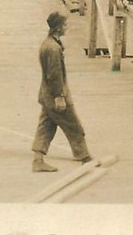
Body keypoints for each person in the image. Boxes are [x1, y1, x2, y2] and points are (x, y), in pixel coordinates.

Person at [32, 10, 93, 172]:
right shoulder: (53, 49)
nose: (67, 27)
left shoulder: (48, 44)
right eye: (65, 25)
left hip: (46, 95)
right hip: (55, 96)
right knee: (74, 126)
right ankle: (84, 157)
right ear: (58, 28)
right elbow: (54, 75)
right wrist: (60, 97)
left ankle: (38, 160)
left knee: (46, 126)